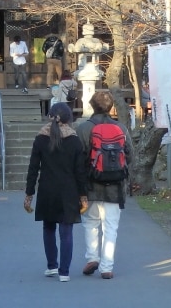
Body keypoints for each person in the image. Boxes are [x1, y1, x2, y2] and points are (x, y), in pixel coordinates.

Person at [24, 102, 87, 282]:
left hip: (47, 189)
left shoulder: (41, 139)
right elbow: (79, 171)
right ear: (69, 118)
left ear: (50, 116)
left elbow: (33, 168)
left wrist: (29, 194)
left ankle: (52, 265)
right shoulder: (74, 141)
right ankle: (64, 272)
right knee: (66, 231)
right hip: (68, 190)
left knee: (48, 227)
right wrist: (83, 195)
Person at [75, 90, 134, 280]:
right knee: (111, 227)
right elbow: (130, 155)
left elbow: (78, 159)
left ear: (92, 106)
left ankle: (92, 257)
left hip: (91, 185)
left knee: (90, 223)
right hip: (115, 187)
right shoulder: (121, 128)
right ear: (111, 107)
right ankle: (106, 267)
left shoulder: (83, 128)